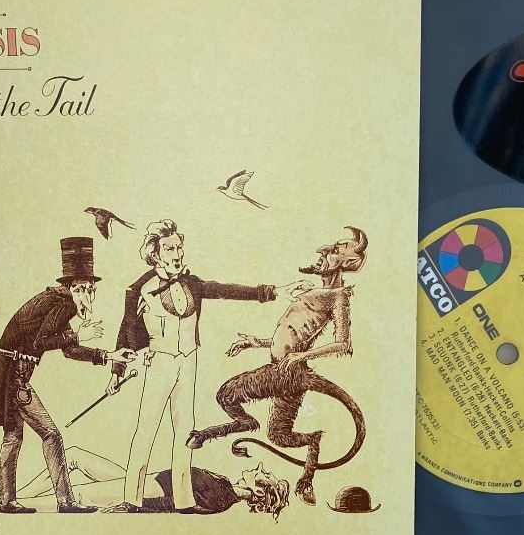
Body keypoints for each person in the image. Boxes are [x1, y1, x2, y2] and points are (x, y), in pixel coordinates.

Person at [189, 225, 367, 503]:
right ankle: (311, 451)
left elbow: (344, 344)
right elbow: (291, 334)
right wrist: (256, 342)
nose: (322, 251)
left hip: (287, 371)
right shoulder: (310, 290)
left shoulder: (339, 295)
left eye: (334, 251)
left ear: (349, 262)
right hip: (289, 369)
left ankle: (228, 428)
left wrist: (301, 357)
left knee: (226, 395)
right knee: (279, 436)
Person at [116, 220, 284, 511]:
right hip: (160, 362)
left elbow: (223, 290)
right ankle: (131, 499)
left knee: (185, 431)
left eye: (179, 247)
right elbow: (125, 330)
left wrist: (269, 292)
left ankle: (184, 500)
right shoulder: (140, 289)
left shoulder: (191, 283)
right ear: (155, 254)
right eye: (170, 249)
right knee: (146, 429)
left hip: (188, 362)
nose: (177, 253)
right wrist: (117, 371)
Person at [0, 236, 130, 513]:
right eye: (84, 290)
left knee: (12, 438)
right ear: (72, 288)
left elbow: (69, 350)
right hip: (15, 379)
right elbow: (42, 342)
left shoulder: (56, 301)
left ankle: (6, 500)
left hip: (10, 377)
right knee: (51, 435)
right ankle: (65, 501)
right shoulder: (62, 304)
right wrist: (78, 334)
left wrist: (109, 355)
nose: (89, 296)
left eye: (92, 290)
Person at [51, 445, 289, 516]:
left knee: (76, 494)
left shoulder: (222, 498)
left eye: (266, 476)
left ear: (260, 492)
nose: (261, 469)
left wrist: (133, 505)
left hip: (147, 490)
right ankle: (25, 494)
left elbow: (177, 504)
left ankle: (28, 501)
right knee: (74, 455)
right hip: (146, 480)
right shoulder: (224, 485)